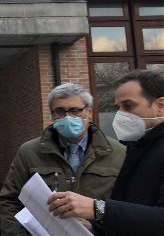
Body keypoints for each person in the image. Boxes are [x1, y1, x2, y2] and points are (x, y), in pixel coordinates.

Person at [0, 83, 126, 235]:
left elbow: (125, 206)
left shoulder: (117, 152)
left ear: (89, 112)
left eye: (75, 110)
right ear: (52, 115)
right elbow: (9, 202)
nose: (67, 117)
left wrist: (98, 226)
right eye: (60, 111)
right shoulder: (29, 152)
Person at [48, 70, 164, 235]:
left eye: (129, 106)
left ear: (160, 106)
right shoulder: (136, 148)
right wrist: (94, 227)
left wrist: (97, 208)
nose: (121, 115)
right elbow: (131, 212)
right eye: (118, 108)